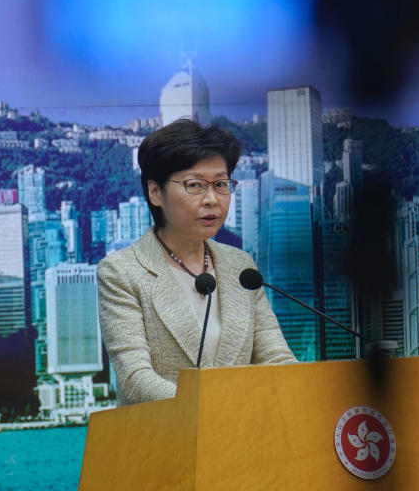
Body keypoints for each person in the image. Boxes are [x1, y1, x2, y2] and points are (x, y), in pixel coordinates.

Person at [97, 118, 296, 406]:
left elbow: (276, 356)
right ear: (156, 192)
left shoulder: (241, 267)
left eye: (221, 184)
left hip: (244, 441)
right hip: (163, 440)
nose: (212, 199)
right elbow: (135, 377)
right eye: (195, 185)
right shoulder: (122, 272)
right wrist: (212, 408)